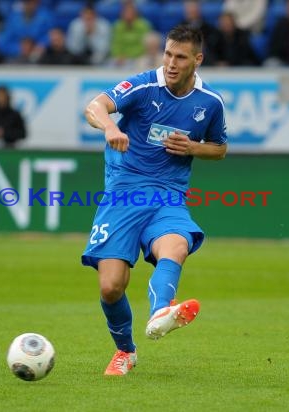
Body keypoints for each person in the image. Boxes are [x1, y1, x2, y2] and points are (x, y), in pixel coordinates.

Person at [82, 25, 228, 376]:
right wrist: (110, 128)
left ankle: (162, 310)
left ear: (197, 59)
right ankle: (125, 351)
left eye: (180, 57)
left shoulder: (210, 103)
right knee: (111, 286)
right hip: (124, 193)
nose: (171, 63)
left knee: (175, 245)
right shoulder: (145, 85)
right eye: (167, 54)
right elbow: (95, 105)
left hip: (168, 196)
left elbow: (220, 148)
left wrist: (194, 148)